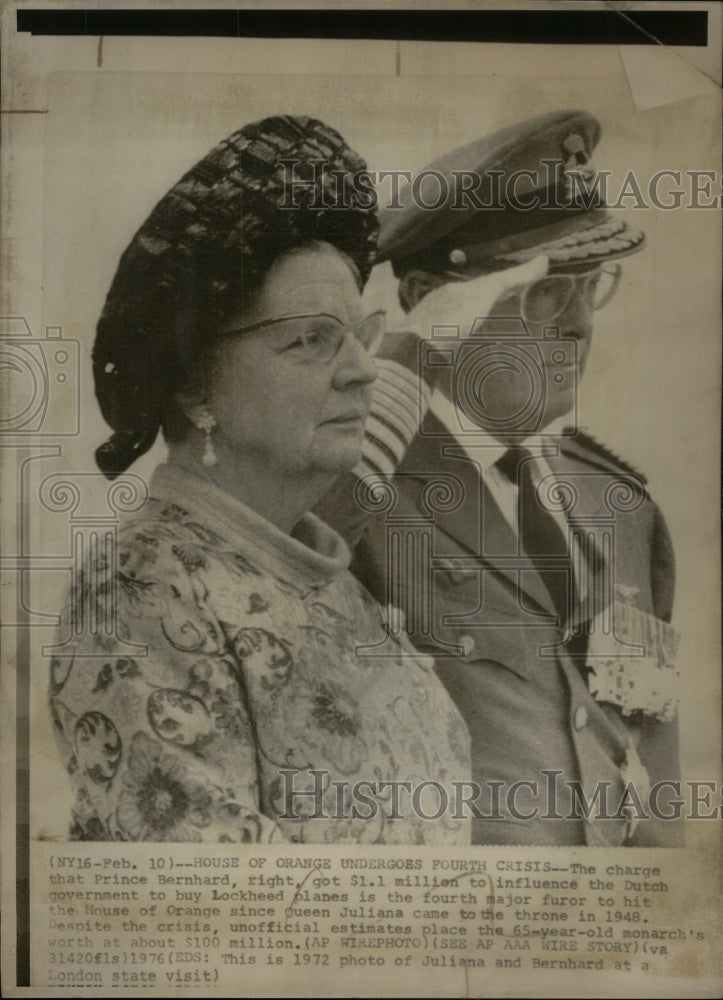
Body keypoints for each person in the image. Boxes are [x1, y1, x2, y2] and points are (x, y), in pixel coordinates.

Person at [48, 115, 473, 845]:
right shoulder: (140, 586)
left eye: (358, 336)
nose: (362, 369)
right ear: (193, 385)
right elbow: (205, 914)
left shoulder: (333, 581)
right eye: (311, 339)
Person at [316, 109, 681, 847]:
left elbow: (653, 758)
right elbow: (287, 561)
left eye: (590, 287)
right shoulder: (356, 487)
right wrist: (415, 350)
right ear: (435, 302)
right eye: (546, 292)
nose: (579, 325)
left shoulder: (617, 507)